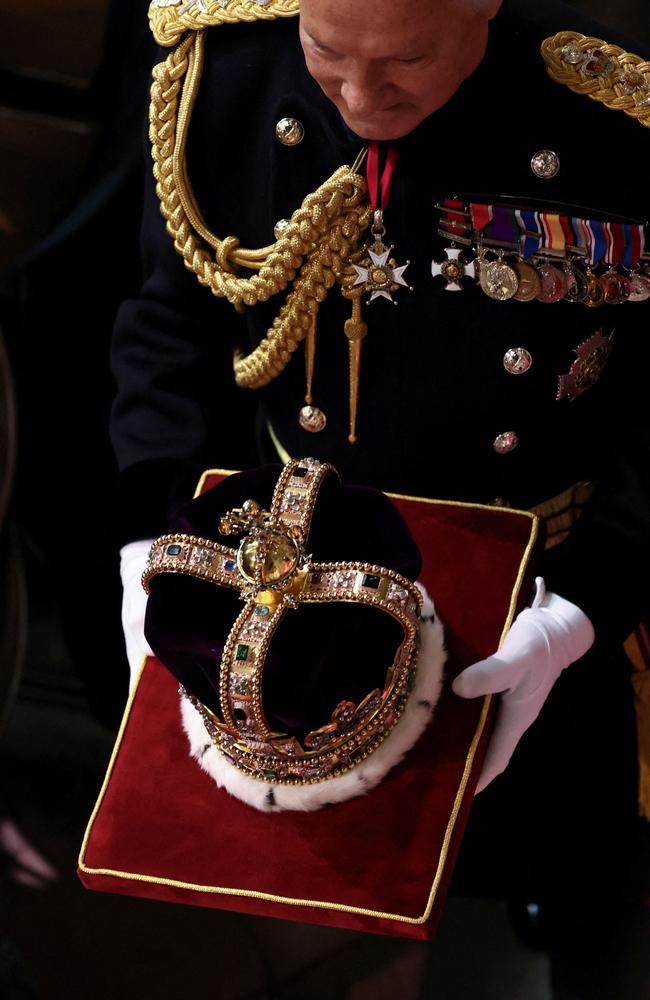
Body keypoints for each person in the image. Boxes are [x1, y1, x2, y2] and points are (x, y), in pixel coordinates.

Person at [111, 0, 650, 995]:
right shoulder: (225, 71)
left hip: (547, 569)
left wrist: (585, 603)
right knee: (326, 938)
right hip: (294, 594)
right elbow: (166, 329)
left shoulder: (611, 111)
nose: (362, 99)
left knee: (589, 909)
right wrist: (149, 534)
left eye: (404, 61)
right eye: (326, 54)